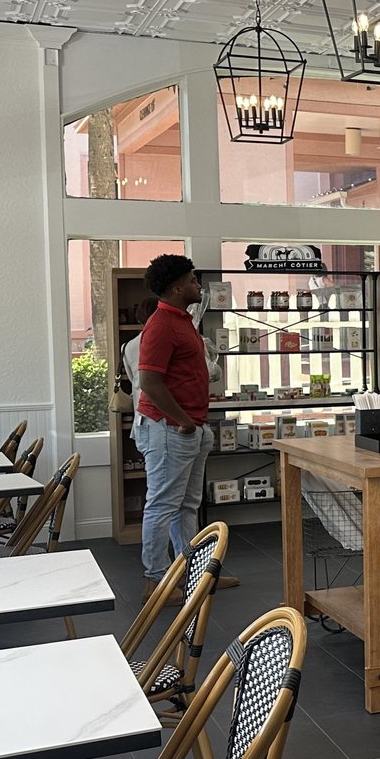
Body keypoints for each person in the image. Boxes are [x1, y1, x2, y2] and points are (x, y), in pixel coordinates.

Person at [134, 254, 217, 599]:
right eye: (193, 279)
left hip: (188, 427)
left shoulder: (183, 320)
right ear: (177, 286)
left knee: (186, 505)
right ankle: (156, 580)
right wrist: (183, 421)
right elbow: (150, 381)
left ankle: (193, 576)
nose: (198, 284)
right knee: (163, 504)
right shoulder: (162, 324)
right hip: (169, 428)